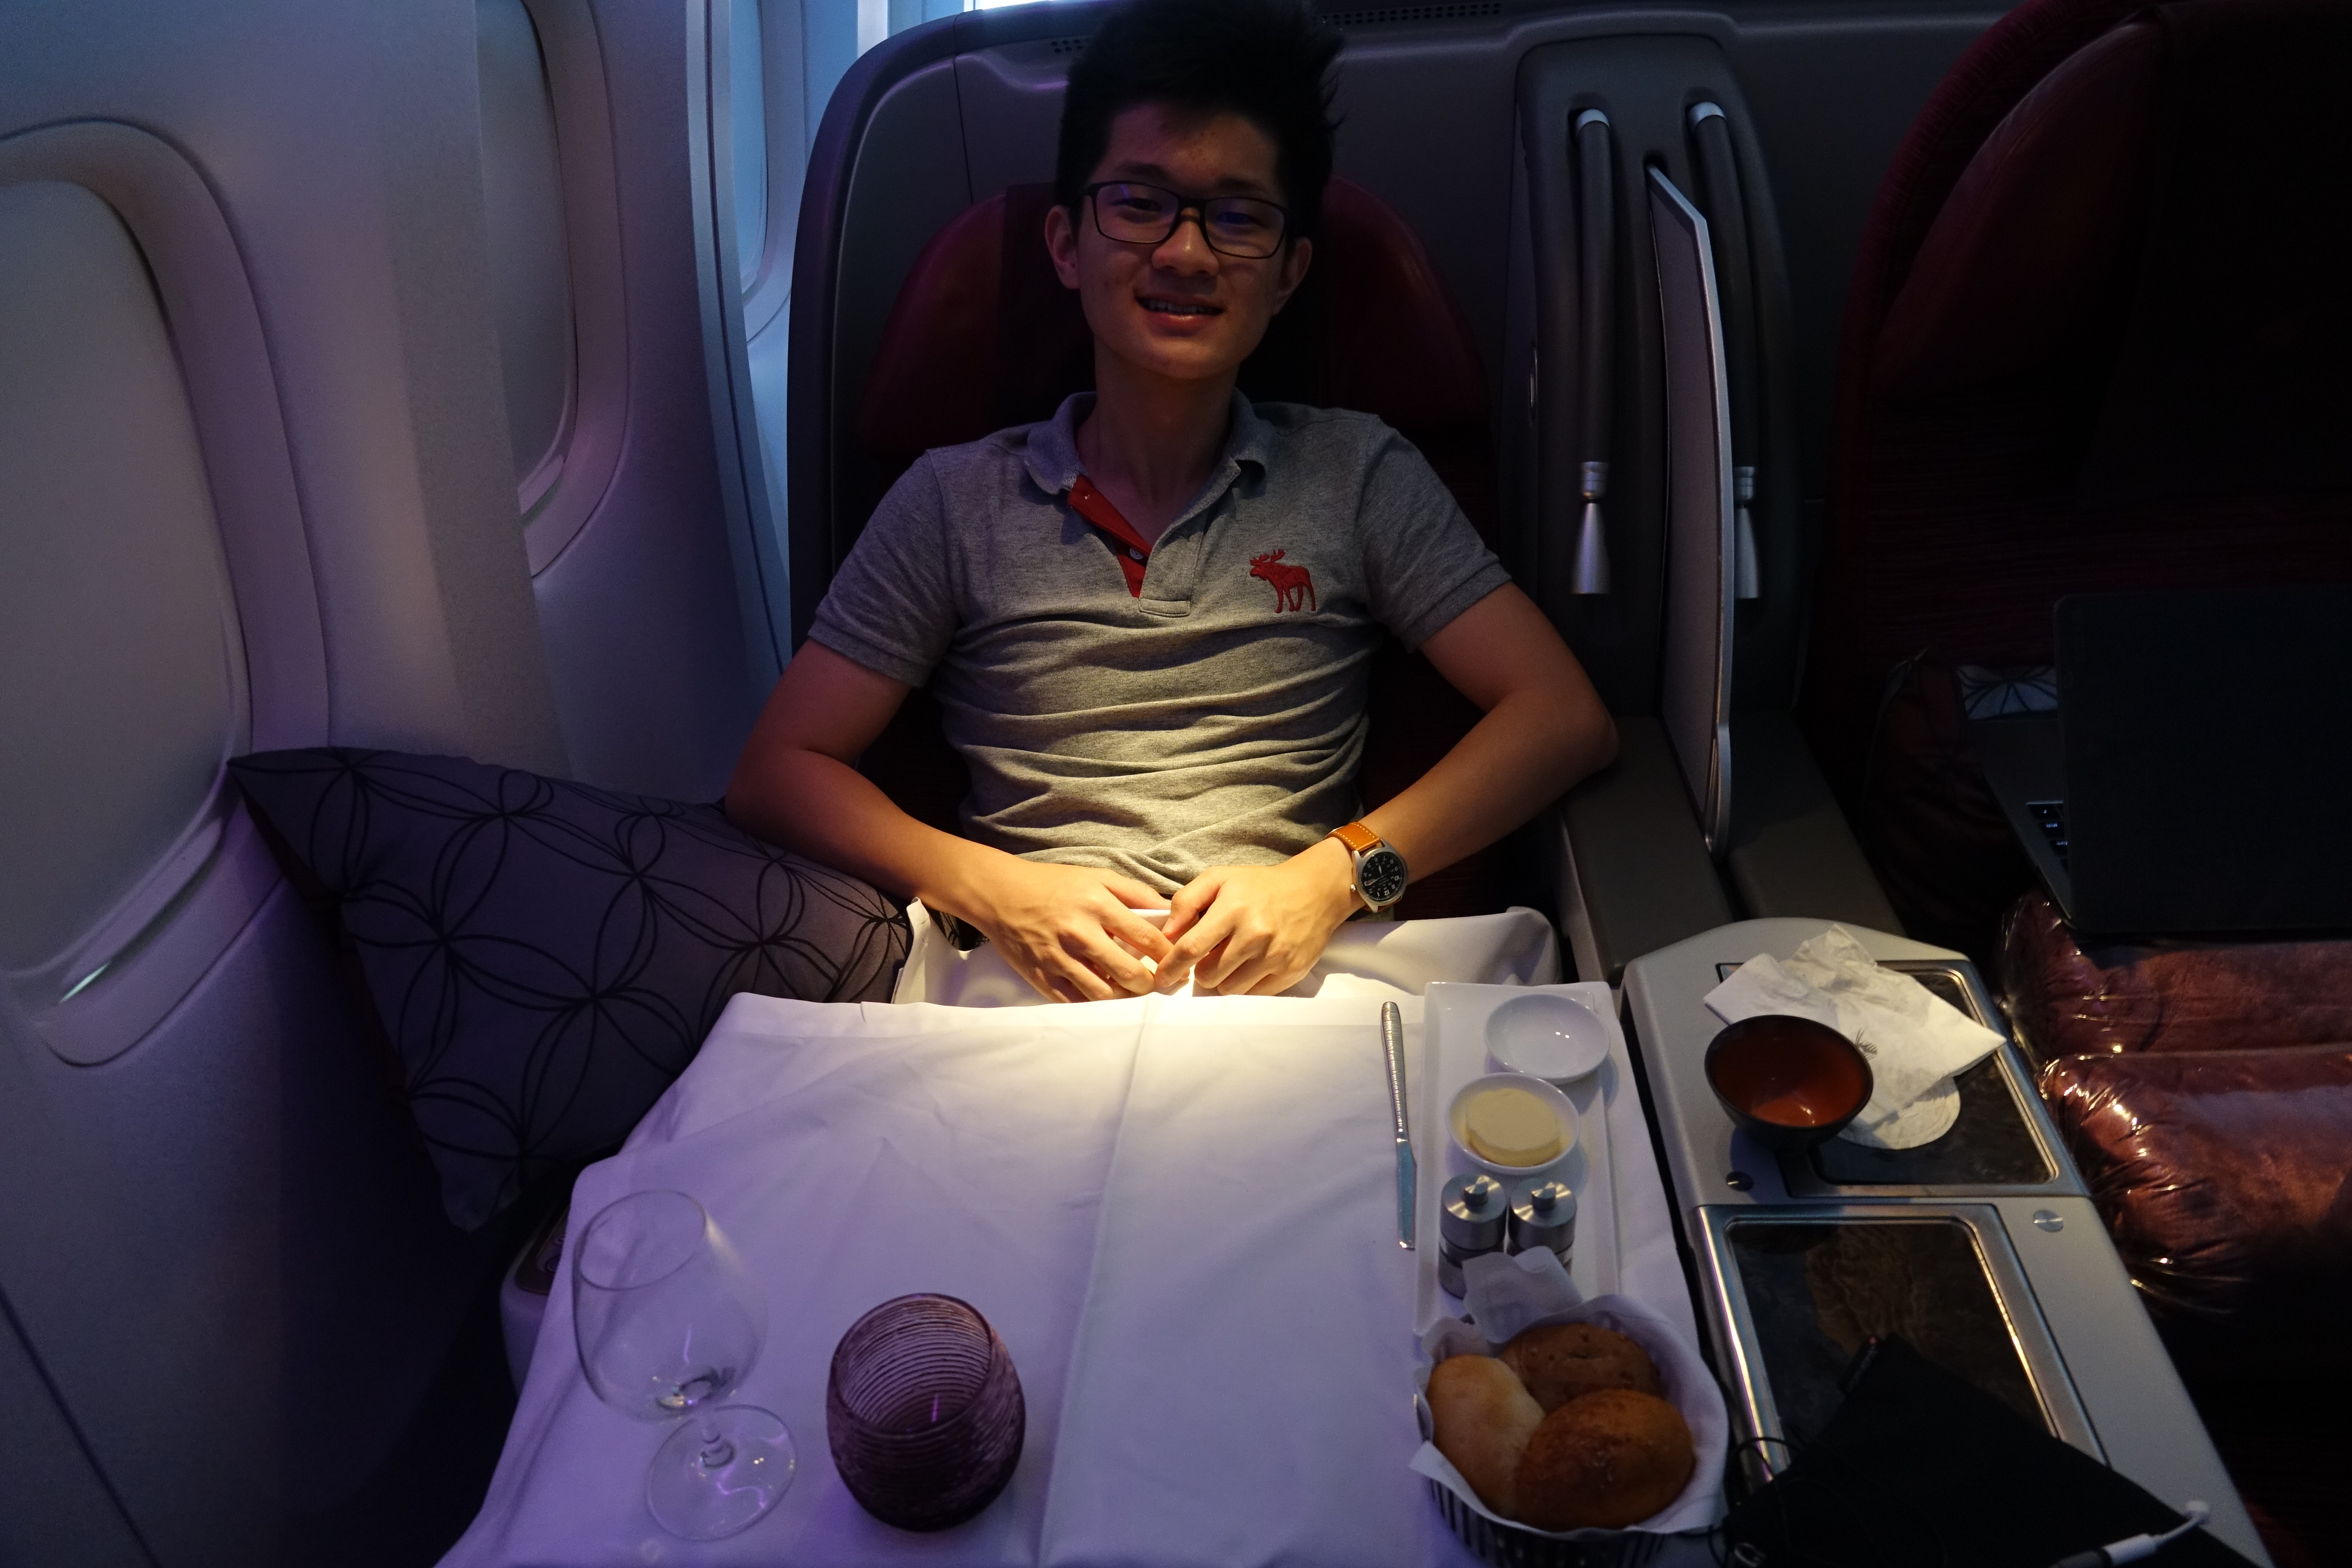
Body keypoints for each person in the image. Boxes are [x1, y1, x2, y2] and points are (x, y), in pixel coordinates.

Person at [727, 0, 1615, 1002]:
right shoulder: (953, 499)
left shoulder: (1357, 473)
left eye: (1238, 216)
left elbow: (1562, 717)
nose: (1186, 254)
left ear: (1289, 274)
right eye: (1140, 203)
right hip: (1026, 989)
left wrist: (1335, 877)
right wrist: (994, 888)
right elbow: (778, 770)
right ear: (1066, 244)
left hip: (1291, 981)